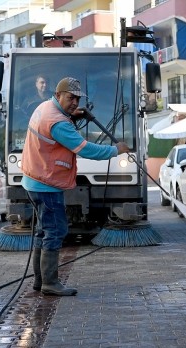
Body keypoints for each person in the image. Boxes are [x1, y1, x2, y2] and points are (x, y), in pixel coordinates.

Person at [21, 77, 130, 296]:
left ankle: (40, 281)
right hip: (46, 183)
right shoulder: (58, 122)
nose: (74, 102)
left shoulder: (45, 107)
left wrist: (71, 114)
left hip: (33, 179)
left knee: (44, 231)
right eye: (70, 98)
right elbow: (85, 149)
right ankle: (50, 283)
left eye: (77, 99)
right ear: (58, 94)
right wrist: (116, 151)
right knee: (55, 231)